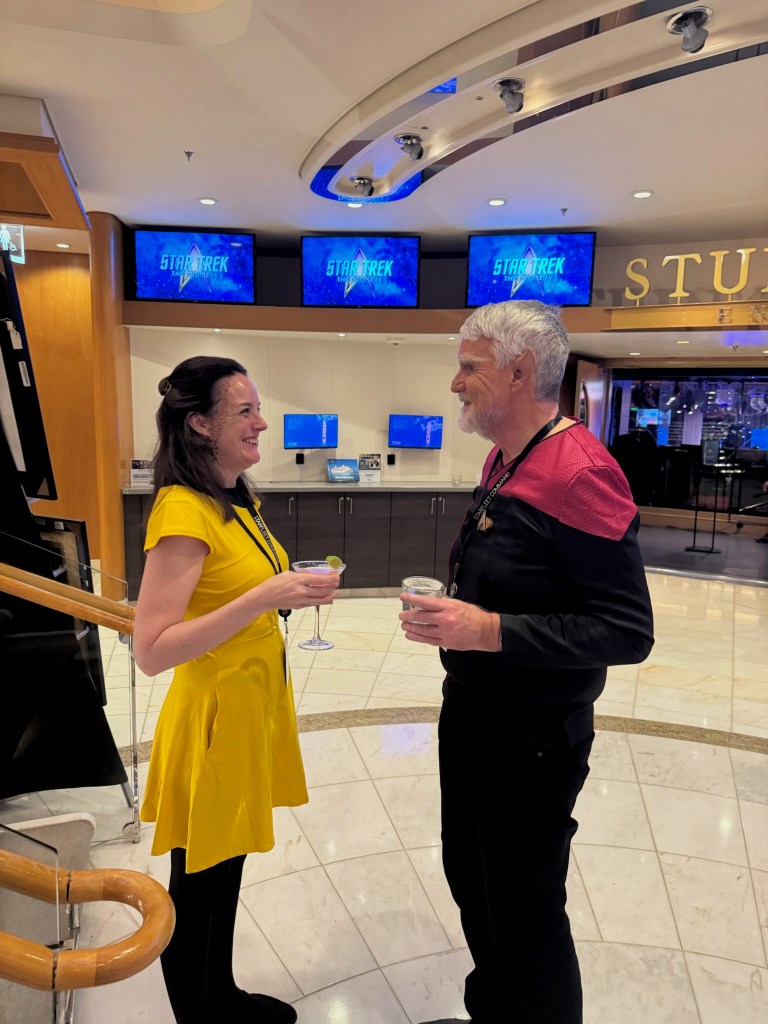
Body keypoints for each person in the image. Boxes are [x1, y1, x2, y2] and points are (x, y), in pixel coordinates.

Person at [399, 300, 655, 1024]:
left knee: (526, 912)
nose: (454, 382)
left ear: (519, 372)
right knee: (471, 878)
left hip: (534, 740)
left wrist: (491, 631)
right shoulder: (504, 455)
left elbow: (626, 631)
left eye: (469, 367)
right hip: (473, 718)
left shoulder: (582, 472)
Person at [133, 356, 341, 1024]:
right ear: (200, 424)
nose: (262, 423)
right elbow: (152, 650)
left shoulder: (235, 495)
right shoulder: (182, 511)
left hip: (251, 710)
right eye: (244, 411)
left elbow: (244, 588)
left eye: (258, 409)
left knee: (227, 871)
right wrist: (268, 595)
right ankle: (200, 1012)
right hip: (215, 720)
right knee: (199, 887)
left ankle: (220, 996)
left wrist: (290, 587)